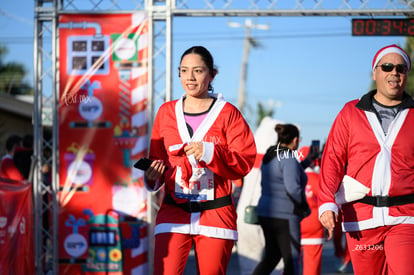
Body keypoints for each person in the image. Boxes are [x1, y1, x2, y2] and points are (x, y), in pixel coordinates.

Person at [142, 45, 256, 275]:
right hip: (173, 213)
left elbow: (244, 161)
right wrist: (152, 175)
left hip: (216, 214)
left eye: (198, 70)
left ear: (212, 74)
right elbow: (158, 160)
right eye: (184, 70)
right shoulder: (165, 112)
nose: (190, 77)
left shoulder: (228, 113)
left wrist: (210, 153)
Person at [318, 44, 414, 275]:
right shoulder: (350, 112)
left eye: (400, 68)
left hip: (405, 217)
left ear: (406, 75)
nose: (394, 73)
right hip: (361, 218)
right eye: (387, 67)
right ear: (375, 73)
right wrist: (327, 202)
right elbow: (332, 159)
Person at [252, 124, 309, 275]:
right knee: (291, 259)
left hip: (266, 213)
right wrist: (304, 206)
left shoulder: (271, 155)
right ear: (295, 140)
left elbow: (281, 177)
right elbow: (292, 188)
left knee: (272, 256)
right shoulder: (288, 157)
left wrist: (305, 163)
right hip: (285, 215)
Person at [299, 146, 325, 275]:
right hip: (314, 225)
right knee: (312, 267)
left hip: (295, 224)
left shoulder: (293, 177)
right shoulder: (318, 179)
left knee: (289, 264)